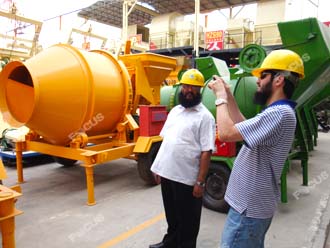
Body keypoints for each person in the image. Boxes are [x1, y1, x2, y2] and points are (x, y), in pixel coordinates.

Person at [208, 49, 304, 248]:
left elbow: (225, 133)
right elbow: (242, 126)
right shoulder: (278, 113)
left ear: (278, 80)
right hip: (249, 207)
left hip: (247, 210)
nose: (258, 81)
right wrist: (229, 96)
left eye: (263, 75)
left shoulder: (279, 113)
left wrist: (219, 97)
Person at [149, 69, 216, 248]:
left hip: (187, 179)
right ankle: (170, 243)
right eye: (186, 86)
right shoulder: (175, 111)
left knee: (188, 219)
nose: (188, 90)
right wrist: (158, 167)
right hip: (167, 174)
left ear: (200, 90)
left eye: (193, 87)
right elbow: (167, 142)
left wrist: (200, 182)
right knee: (172, 214)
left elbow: (206, 151)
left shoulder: (205, 117)